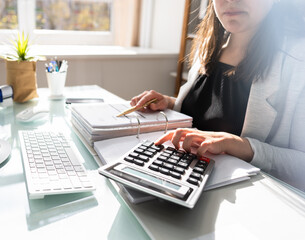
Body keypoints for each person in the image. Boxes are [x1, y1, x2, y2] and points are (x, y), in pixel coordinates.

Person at [130, 0, 305, 191]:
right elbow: (207, 113)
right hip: (182, 177)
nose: (230, 1)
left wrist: (241, 146)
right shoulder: (208, 46)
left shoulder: (298, 60)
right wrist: (170, 103)